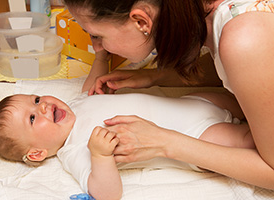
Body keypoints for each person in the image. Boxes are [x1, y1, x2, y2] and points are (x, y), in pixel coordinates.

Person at [62, 0, 274, 190]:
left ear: (141, 22)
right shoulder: (210, 16)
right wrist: (155, 76)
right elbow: (241, 68)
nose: (96, 46)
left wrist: (166, 143)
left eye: (97, 35)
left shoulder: (245, 38)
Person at [0, 85, 254, 200]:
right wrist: (101, 156)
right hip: (196, 137)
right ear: (36, 153)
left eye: (35, 99)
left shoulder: (77, 104)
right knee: (248, 142)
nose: (43, 105)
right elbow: (106, 194)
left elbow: (94, 85)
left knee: (250, 102)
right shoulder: (75, 151)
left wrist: (101, 57)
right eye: (33, 118)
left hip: (195, 103)